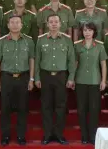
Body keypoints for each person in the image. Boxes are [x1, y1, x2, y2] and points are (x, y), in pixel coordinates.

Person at [0, 13, 35, 146]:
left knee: (23, 108)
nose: (15, 25)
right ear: (8, 25)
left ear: (22, 25)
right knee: (5, 108)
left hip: (23, 77)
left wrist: (31, 79)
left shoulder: (28, 40)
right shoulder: (1, 41)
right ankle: (5, 136)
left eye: (17, 22)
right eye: (12, 22)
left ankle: (21, 136)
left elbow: (31, 60)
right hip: (7, 78)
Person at [35, 14, 76, 145]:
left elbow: (71, 60)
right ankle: (47, 134)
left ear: (60, 24)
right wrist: (36, 77)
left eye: (56, 22)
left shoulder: (67, 39)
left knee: (61, 106)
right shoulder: (41, 39)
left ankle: (59, 134)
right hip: (45, 76)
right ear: (47, 24)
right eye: (51, 22)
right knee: (46, 106)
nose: (53, 24)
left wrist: (71, 77)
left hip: (61, 76)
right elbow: (37, 60)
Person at [74, 22, 107, 145]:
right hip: (80, 81)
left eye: (90, 30)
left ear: (94, 32)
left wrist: (103, 80)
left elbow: (103, 64)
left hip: (95, 81)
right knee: (81, 109)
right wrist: (72, 78)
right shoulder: (77, 45)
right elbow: (75, 64)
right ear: (82, 32)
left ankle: (93, 136)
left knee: (94, 109)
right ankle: (84, 135)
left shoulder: (100, 46)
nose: (87, 32)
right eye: (85, 30)